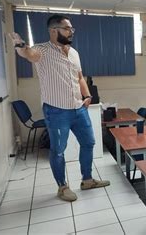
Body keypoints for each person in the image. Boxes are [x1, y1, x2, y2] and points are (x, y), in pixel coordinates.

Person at [10, 14, 109, 202]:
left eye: (71, 29)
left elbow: (79, 77)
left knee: (89, 143)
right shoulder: (43, 50)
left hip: (79, 109)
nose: (71, 32)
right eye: (67, 28)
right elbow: (28, 54)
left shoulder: (74, 53)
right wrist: (20, 46)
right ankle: (62, 187)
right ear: (53, 30)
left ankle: (87, 180)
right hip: (56, 111)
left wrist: (87, 95)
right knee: (58, 150)